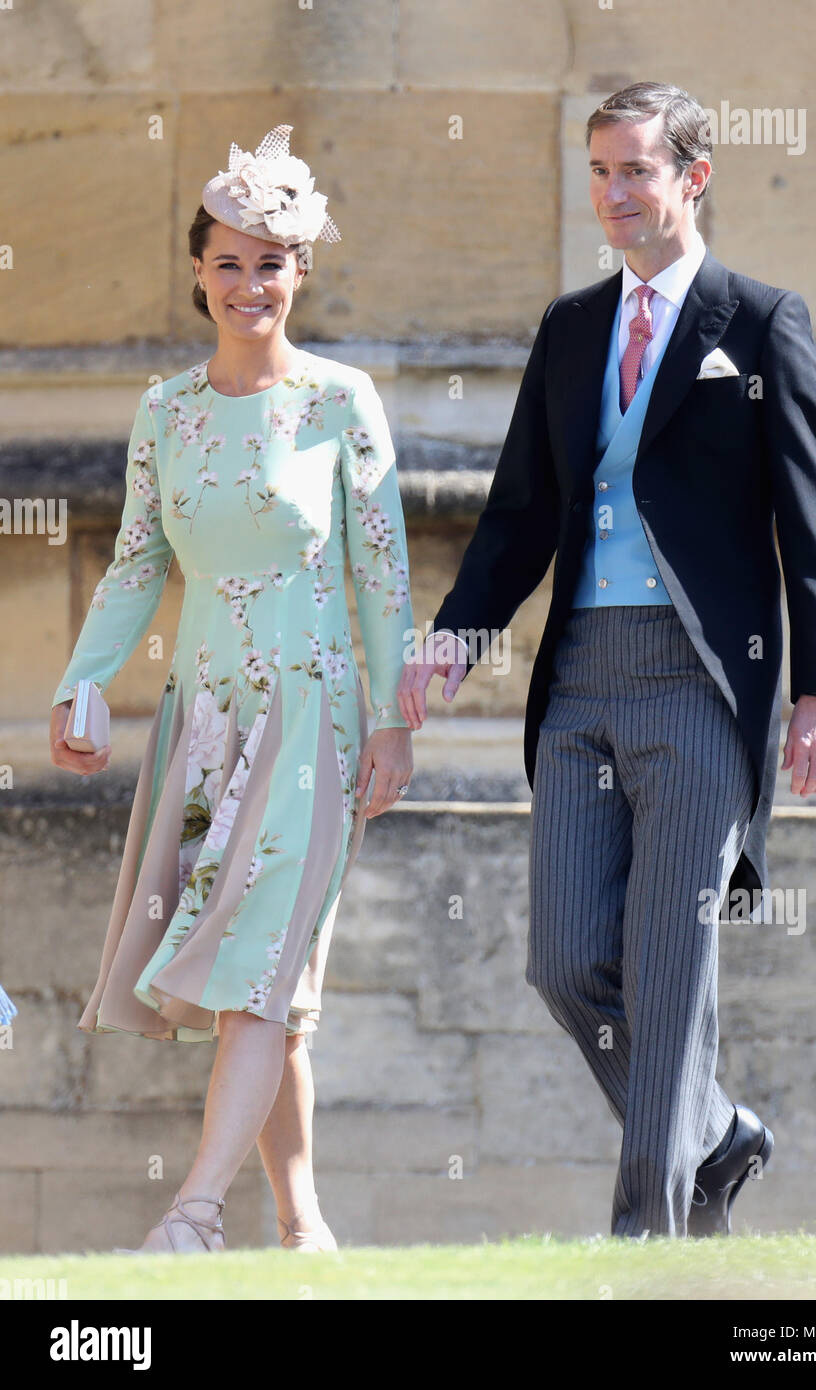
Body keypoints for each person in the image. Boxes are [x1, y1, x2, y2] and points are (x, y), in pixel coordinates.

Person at [398, 82, 816, 1239]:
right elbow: (517, 515)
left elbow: (813, 521)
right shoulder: (569, 329)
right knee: (563, 961)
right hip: (581, 674)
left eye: (636, 170)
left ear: (693, 176)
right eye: (599, 171)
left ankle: (646, 1234)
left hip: (703, 680)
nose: (613, 193)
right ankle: (717, 1131)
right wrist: (453, 639)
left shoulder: (761, 323)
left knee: (669, 964)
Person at [49, 124, 414, 1254]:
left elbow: (384, 573)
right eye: (229, 261)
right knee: (267, 985)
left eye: (271, 261)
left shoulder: (344, 401)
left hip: (315, 718)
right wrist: (83, 681)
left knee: (256, 967)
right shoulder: (164, 413)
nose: (249, 283)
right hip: (203, 726)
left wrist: (395, 720)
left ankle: (195, 1212)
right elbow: (136, 565)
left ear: (300, 270)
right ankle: (305, 1227)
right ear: (199, 272)